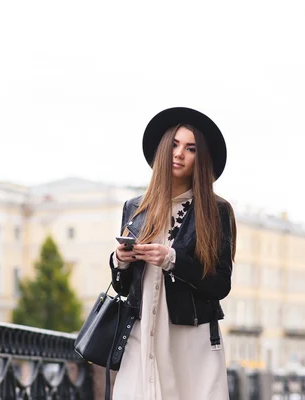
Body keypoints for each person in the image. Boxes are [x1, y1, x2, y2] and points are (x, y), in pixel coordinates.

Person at [109, 107, 236, 400]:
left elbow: (220, 284)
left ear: (200, 159)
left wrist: (172, 259)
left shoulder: (216, 211)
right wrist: (120, 261)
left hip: (189, 337)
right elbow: (122, 287)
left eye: (190, 148)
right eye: (174, 145)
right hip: (142, 334)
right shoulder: (134, 207)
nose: (179, 154)